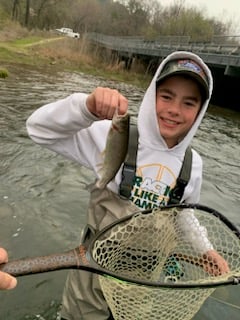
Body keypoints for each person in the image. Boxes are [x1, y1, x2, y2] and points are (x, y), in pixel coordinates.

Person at [26, 51, 229, 320]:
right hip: (92, 273)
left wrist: (205, 249)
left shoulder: (193, 165)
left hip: (141, 283)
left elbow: (184, 215)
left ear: (200, 111)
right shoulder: (113, 133)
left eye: (189, 103)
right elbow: (38, 129)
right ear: (151, 95)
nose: (174, 110)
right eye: (166, 96)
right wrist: (84, 107)